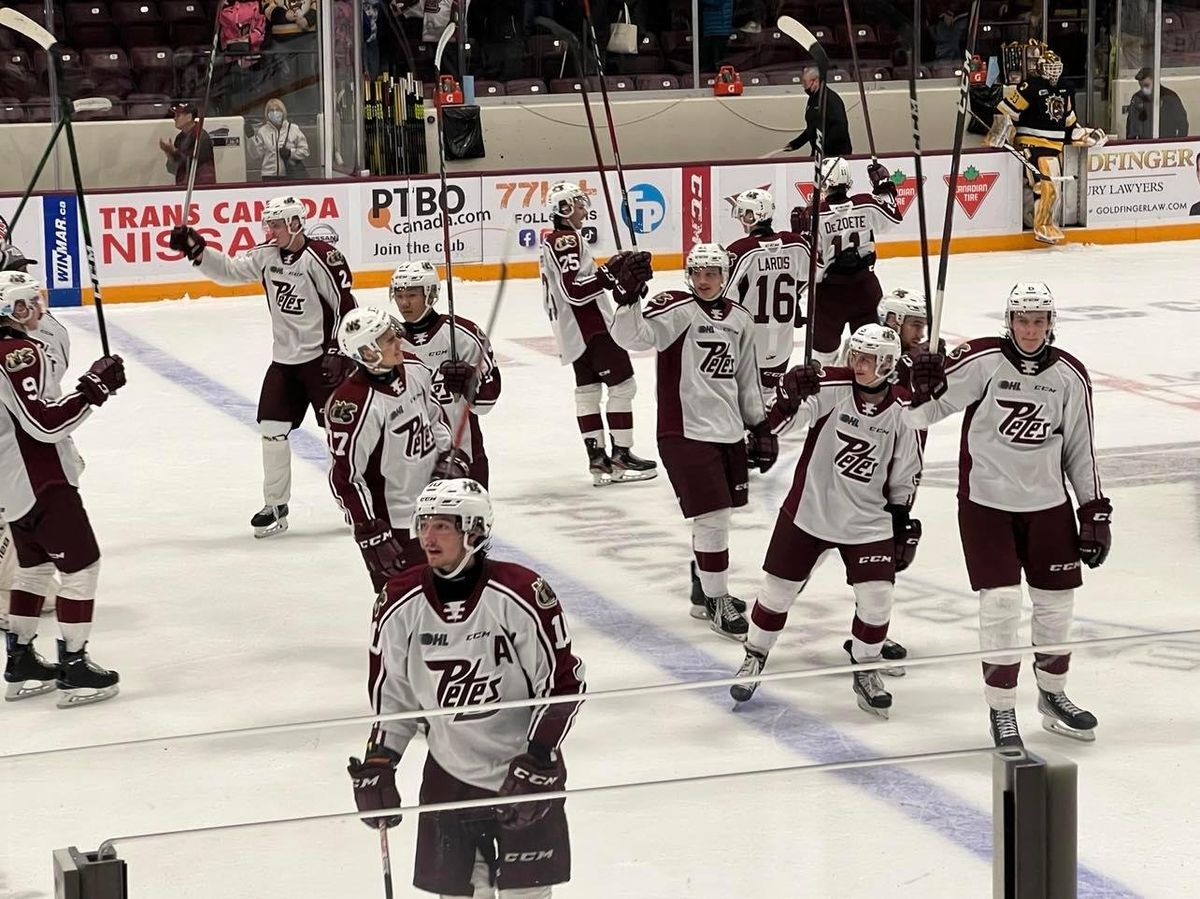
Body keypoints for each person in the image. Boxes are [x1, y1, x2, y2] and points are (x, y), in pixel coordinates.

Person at [348, 478, 585, 898]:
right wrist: (381, 760)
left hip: (524, 770)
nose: (427, 536)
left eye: (442, 525)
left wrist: (540, 755)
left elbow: (562, 682)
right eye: (424, 524)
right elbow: (394, 696)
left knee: (527, 894)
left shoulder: (518, 592)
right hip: (450, 775)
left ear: (474, 531)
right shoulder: (398, 601)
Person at [905, 283, 1110, 748]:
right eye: (1023, 320)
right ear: (1009, 321)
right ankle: (1001, 710)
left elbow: (1081, 448)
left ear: (1050, 323)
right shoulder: (981, 360)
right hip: (986, 505)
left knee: (1056, 607)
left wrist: (1093, 510)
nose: (1031, 329)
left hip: (1048, 507)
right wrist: (918, 382)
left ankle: (1053, 696)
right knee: (999, 607)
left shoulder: (1070, 375)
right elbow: (920, 415)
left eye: (1039, 321)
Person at [730, 324, 923, 716]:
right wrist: (787, 398)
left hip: (867, 521)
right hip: (810, 511)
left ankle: (866, 669)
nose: (858, 364)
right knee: (777, 592)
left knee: (877, 601)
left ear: (887, 364)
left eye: (868, 359)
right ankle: (754, 654)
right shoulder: (831, 386)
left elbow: (906, 471)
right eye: (855, 354)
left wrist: (902, 516)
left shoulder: (904, 410)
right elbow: (779, 426)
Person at [610, 243, 773, 640]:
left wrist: (761, 427)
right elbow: (631, 337)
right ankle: (717, 601)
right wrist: (628, 298)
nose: (703, 280)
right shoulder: (676, 308)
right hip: (683, 431)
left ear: (725, 275)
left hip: (729, 431)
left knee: (717, 518)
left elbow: (747, 380)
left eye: (712, 273)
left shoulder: (740, 318)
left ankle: (703, 590)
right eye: (697, 272)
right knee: (713, 515)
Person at [168, 195, 358, 537]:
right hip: (284, 362)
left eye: (276, 224)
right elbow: (228, 271)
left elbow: (346, 305)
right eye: (268, 224)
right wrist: (196, 248)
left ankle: (360, 501)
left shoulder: (322, 257)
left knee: (343, 434)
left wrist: (337, 350)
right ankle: (276, 504)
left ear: (296, 223)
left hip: (321, 361)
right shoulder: (266, 255)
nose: (270, 230)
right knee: (272, 430)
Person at [0, 271, 125, 707]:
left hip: (12, 485)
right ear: (10, 309)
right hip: (43, 479)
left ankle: (21, 660)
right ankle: (74, 665)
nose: (37, 308)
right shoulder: (16, 353)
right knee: (81, 567)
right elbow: (45, 424)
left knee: (32, 570)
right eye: (28, 302)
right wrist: (95, 389)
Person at [325, 307, 469, 591]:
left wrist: (448, 456)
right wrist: (370, 531)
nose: (398, 343)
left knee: (454, 599)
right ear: (367, 352)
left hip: (438, 507)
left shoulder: (414, 368)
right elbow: (345, 478)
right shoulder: (353, 405)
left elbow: (433, 418)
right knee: (407, 608)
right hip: (398, 524)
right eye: (389, 340)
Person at [539, 181, 657, 486]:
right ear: (564, 209)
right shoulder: (565, 241)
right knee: (623, 386)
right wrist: (608, 273)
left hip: (573, 331)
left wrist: (618, 280)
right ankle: (621, 455)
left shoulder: (557, 239)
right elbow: (574, 291)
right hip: (592, 327)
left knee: (588, 392)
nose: (583, 208)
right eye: (577, 203)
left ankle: (598, 461)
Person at [0, 246, 69, 633]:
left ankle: (25, 583)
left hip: (25, 438)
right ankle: (11, 590)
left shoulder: (49, 332)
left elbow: (45, 393)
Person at [390, 260, 501, 487]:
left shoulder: (463, 334)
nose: (404, 303)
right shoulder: (389, 342)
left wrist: (470, 381)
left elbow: (488, 400)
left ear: (430, 294)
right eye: (399, 296)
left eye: (411, 295)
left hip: (465, 452)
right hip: (409, 457)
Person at [987, 40, 1107, 244]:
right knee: (1046, 187)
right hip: (1033, 146)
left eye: (1056, 69)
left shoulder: (1065, 89)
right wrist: (998, 134)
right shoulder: (1029, 87)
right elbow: (1005, 111)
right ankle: (1041, 225)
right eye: (1050, 68)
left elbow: (1069, 123)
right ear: (1041, 69)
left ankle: (1047, 223)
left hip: (1054, 149)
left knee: (1054, 191)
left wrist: (1085, 135)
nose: (1054, 73)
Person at [792, 156, 902, 367]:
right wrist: (884, 186)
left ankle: (826, 392)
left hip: (830, 298)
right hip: (865, 290)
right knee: (871, 350)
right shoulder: (866, 203)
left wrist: (800, 234)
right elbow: (893, 217)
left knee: (823, 360)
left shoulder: (814, 215)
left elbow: (809, 267)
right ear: (848, 182)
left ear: (824, 183)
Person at [724, 188, 812, 402]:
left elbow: (724, 298)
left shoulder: (741, 250)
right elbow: (810, 275)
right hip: (782, 345)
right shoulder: (795, 244)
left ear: (752, 216)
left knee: (739, 401)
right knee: (768, 400)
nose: (741, 219)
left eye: (744, 214)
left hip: (749, 345)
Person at [784, 66, 852, 157]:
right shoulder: (812, 99)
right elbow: (812, 128)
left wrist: (822, 148)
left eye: (805, 82)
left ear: (815, 81)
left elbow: (840, 128)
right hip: (818, 153)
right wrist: (795, 144)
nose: (803, 85)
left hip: (835, 154)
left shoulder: (831, 100)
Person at [249, 98, 311, 181]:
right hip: (269, 176)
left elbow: (305, 151)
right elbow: (256, 155)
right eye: (271, 110)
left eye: (277, 109)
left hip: (290, 173)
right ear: (267, 113)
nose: (274, 112)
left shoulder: (293, 129)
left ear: (283, 111)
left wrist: (290, 153)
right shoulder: (263, 131)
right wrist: (251, 139)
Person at [159, 101, 216, 187]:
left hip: (201, 187)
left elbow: (193, 163)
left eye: (178, 115)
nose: (174, 119)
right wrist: (169, 153)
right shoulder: (180, 138)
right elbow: (172, 168)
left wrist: (174, 153)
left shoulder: (201, 137)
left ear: (189, 117)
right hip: (184, 185)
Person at [1125, 67, 1190, 140]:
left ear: (1155, 81)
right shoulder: (1137, 98)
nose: (1143, 89)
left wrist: (1178, 143)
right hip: (1144, 144)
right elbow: (1131, 126)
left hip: (1166, 143)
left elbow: (1182, 124)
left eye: (1146, 85)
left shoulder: (1170, 97)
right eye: (1141, 86)